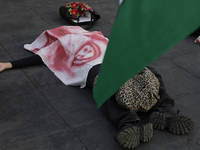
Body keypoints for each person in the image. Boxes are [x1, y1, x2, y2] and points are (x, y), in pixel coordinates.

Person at [0, 26, 195, 149]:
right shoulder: (64, 43)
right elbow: (42, 56)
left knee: (148, 72)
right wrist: (9, 64)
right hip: (92, 67)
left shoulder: (97, 36)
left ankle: (164, 111)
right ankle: (127, 123)